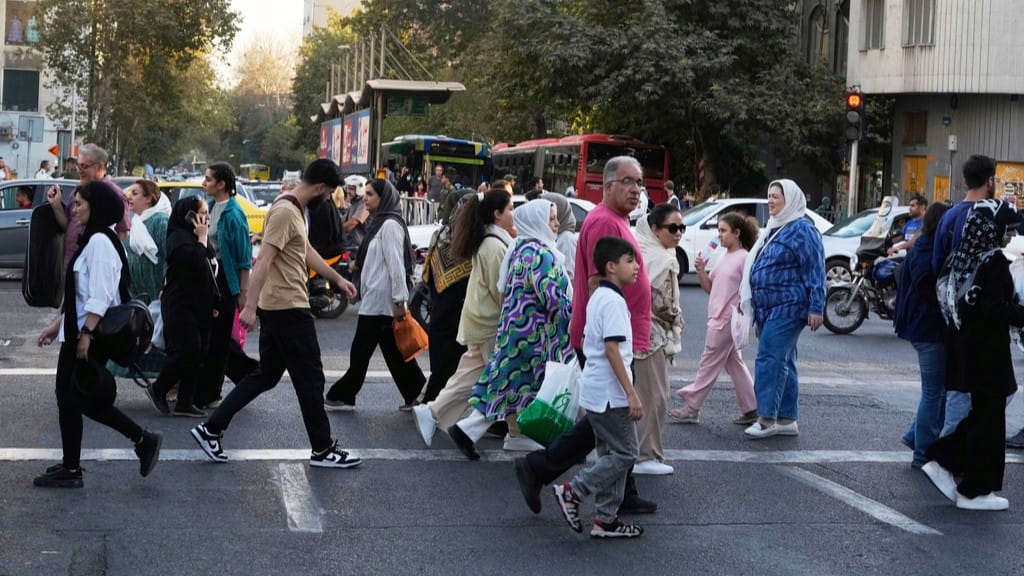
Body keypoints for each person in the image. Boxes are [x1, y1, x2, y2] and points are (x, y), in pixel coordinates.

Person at [191, 159, 361, 469]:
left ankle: (211, 429)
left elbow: (304, 250)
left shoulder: (291, 207)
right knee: (310, 377)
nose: (329, 199)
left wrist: (337, 279)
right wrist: (249, 307)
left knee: (266, 375)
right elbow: (264, 261)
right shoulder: (285, 211)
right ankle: (323, 449)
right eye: (329, 193)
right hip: (288, 307)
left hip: (280, 306)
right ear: (320, 188)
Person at [514, 156, 657, 514]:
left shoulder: (616, 220)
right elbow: (597, 284)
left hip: (616, 338)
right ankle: (538, 468)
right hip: (610, 341)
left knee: (609, 421)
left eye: (639, 182)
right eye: (628, 181)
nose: (636, 189)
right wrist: (606, 341)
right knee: (604, 421)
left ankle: (622, 492)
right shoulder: (605, 221)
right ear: (607, 185)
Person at [33, 180, 162, 488]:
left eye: (79, 204)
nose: (74, 210)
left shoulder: (101, 242)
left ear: (98, 206)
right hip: (79, 331)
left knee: (75, 398)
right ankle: (81, 461)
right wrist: (58, 326)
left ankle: (80, 465)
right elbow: (82, 295)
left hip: (89, 335)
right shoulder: (93, 239)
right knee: (73, 399)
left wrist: (86, 335)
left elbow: (101, 295)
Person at [448, 199, 574, 457]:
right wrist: (576, 314)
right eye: (551, 219)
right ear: (537, 222)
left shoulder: (522, 247)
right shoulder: (539, 254)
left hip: (518, 333)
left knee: (511, 386)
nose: (556, 224)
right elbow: (552, 297)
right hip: (533, 337)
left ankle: (515, 436)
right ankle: (468, 430)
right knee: (514, 386)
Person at [923, 199, 1024, 511]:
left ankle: (944, 460)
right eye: (1007, 229)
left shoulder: (964, 256)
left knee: (983, 417)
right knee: (988, 422)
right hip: (987, 353)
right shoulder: (993, 262)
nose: (1011, 235)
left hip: (968, 349)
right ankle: (974, 490)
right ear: (992, 229)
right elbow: (993, 309)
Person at [553, 236, 644, 539]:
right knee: (627, 453)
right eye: (629, 261)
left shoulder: (600, 297)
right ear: (611, 266)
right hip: (610, 394)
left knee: (610, 454)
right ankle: (573, 491)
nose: (636, 266)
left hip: (596, 390)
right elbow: (612, 350)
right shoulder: (613, 302)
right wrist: (631, 392)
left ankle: (606, 520)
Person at [413, 186, 515, 446]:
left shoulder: (490, 241)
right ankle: (508, 431)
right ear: (496, 214)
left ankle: (433, 412)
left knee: (470, 377)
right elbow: (501, 292)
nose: (514, 214)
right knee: (508, 379)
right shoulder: (494, 245)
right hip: (489, 323)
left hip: (477, 321)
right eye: (510, 208)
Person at [325, 179, 425, 410]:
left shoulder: (389, 225)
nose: (365, 198)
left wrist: (399, 299)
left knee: (361, 353)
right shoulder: (379, 224)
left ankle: (343, 393)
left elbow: (396, 264)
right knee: (394, 354)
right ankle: (419, 395)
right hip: (377, 299)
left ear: (384, 198)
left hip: (382, 301)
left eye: (370, 194)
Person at [739, 179, 825, 439]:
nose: (770, 200)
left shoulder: (802, 229)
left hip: (789, 305)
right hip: (769, 309)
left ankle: (766, 419)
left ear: (791, 200)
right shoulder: (775, 227)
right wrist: (758, 316)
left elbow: (815, 269)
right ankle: (787, 419)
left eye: (776, 196)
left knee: (769, 359)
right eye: (769, 195)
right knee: (784, 360)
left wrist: (816, 306)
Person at [670, 212, 758, 425]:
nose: (719, 235)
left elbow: (751, 288)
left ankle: (692, 407)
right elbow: (710, 287)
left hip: (727, 319)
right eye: (718, 230)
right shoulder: (723, 256)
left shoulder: (744, 258)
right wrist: (700, 270)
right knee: (733, 362)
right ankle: (752, 407)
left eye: (723, 230)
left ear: (737, 233)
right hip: (718, 316)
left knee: (708, 363)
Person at [931, 156, 997, 439]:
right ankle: (950, 449)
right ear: (990, 181)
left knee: (956, 384)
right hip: (980, 316)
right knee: (975, 389)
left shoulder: (949, 215)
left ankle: (938, 443)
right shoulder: (990, 216)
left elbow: (937, 263)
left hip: (951, 311)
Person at [145, 196, 219, 417]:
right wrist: (202, 238)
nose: (207, 218)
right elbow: (195, 260)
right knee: (188, 350)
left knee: (198, 353)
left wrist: (215, 302)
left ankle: (185, 402)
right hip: (181, 305)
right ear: (189, 216)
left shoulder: (196, 237)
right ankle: (158, 388)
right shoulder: (178, 238)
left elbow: (209, 265)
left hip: (200, 305)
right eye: (202, 213)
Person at [895, 202, 951, 468]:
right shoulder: (927, 249)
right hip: (927, 328)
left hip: (925, 327)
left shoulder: (924, 245)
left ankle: (914, 437)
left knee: (939, 391)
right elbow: (927, 288)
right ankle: (922, 453)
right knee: (934, 392)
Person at [630, 203, 683, 473]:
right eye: (673, 228)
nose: (679, 233)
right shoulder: (662, 259)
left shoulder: (641, 251)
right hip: (650, 336)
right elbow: (663, 304)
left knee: (643, 394)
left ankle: (640, 452)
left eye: (682, 227)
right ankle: (646, 455)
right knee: (654, 397)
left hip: (638, 332)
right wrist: (676, 318)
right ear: (655, 229)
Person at [195, 162, 252, 409]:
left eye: (208, 179)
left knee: (218, 341)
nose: (204, 183)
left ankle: (211, 393)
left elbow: (244, 258)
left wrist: (243, 293)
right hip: (210, 279)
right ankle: (249, 375)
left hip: (226, 282)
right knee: (214, 337)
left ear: (222, 184)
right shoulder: (211, 207)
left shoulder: (234, 214)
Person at [416, 190, 474, 404]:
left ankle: (431, 404)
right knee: (448, 371)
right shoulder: (471, 242)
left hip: (439, 312)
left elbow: (428, 277)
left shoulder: (439, 235)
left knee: (444, 368)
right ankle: (430, 407)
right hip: (457, 317)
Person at [47, 144, 131, 271]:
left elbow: (123, 232)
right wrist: (56, 204)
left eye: (84, 166)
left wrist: (102, 260)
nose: (79, 170)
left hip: (93, 268)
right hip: (71, 265)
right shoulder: (78, 191)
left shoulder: (113, 194)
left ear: (100, 167)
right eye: (78, 165)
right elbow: (68, 224)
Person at [123, 180, 170, 301]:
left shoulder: (161, 221)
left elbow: (169, 257)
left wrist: (166, 287)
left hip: (156, 294)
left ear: (148, 198)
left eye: (135, 193)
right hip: (136, 295)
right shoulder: (136, 222)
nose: (130, 197)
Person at [541, 192, 578, 282]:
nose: (556, 223)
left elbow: (569, 276)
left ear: (559, 212)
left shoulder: (566, 239)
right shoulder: (554, 237)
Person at [342, 175, 369, 252]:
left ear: (360, 190)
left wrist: (338, 231)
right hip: (353, 242)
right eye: (348, 188)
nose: (348, 191)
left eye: (351, 189)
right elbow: (343, 219)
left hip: (360, 244)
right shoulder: (354, 203)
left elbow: (353, 223)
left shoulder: (364, 203)